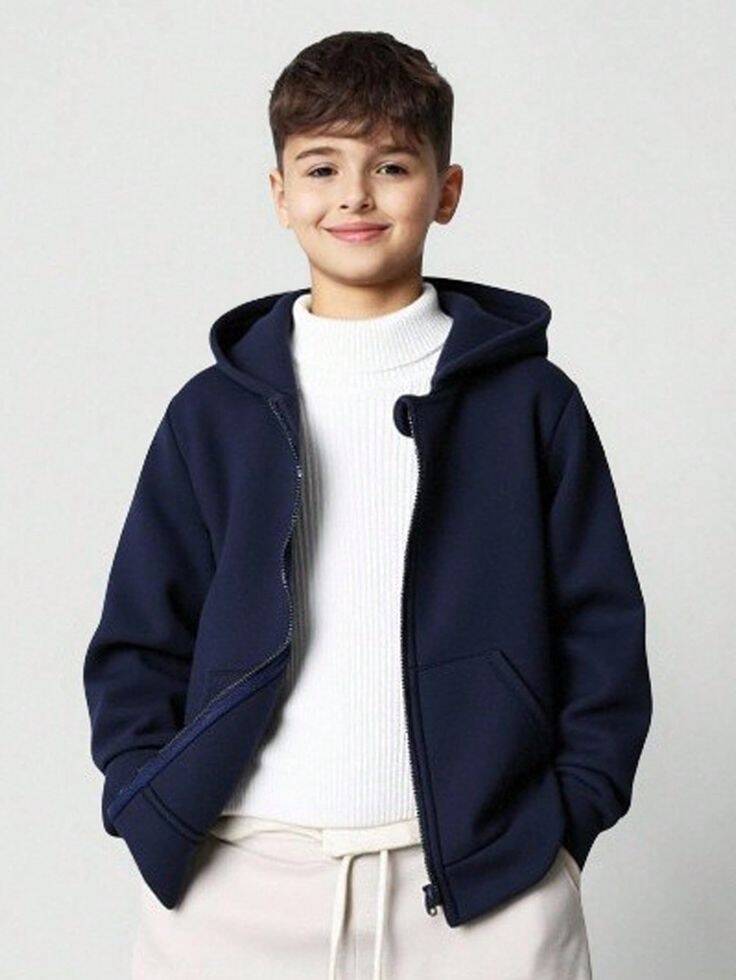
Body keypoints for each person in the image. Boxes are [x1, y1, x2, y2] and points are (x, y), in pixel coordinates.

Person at [83, 30, 652, 980]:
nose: (354, 195)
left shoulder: (530, 404)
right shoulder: (213, 413)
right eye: (321, 168)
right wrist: (152, 799)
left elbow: (601, 629)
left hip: (486, 885)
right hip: (237, 879)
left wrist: (561, 824)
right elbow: (140, 636)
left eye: (391, 165)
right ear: (280, 195)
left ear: (446, 189)